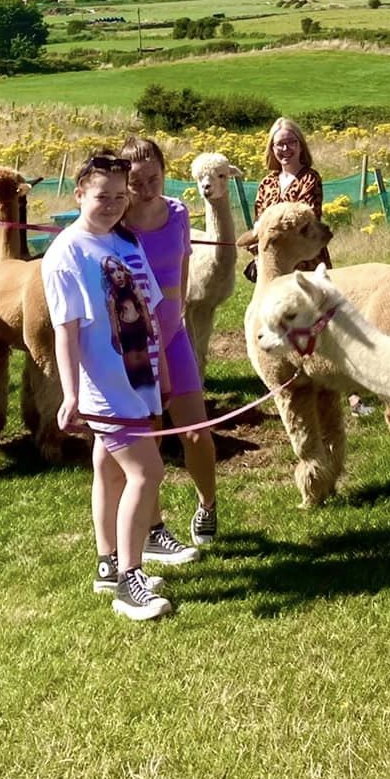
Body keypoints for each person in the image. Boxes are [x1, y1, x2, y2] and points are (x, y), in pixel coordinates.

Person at [45, 152, 197, 622]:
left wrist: (163, 372)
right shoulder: (66, 254)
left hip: (140, 380)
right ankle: (131, 581)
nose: (111, 204)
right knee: (147, 473)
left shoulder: (124, 240)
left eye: (118, 195)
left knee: (111, 471)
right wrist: (71, 394)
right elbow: (66, 331)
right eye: (101, 196)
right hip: (106, 389)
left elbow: (149, 310)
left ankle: (109, 564)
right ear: (79, 195)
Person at [121, 135, 220, 548]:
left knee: (197, 432)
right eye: (136, 183)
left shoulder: (178, 213)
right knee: (150, 437)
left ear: (164, 173)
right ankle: (155, 528)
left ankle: (208, 504)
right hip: (134, 344)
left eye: (154, 180)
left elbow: (181, 270)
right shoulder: (117, 223)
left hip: (173, 335)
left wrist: (175, 317)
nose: (146, 190)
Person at [251, 117, 331, 276]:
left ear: (301, 145)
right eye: (280, 144)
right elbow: (259, 224)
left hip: (307, 264)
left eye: (291, 142)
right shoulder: (267, 183)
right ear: (272, 148)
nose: (285, 148)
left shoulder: (310, 179)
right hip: (273, 266)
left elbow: (306, 220)